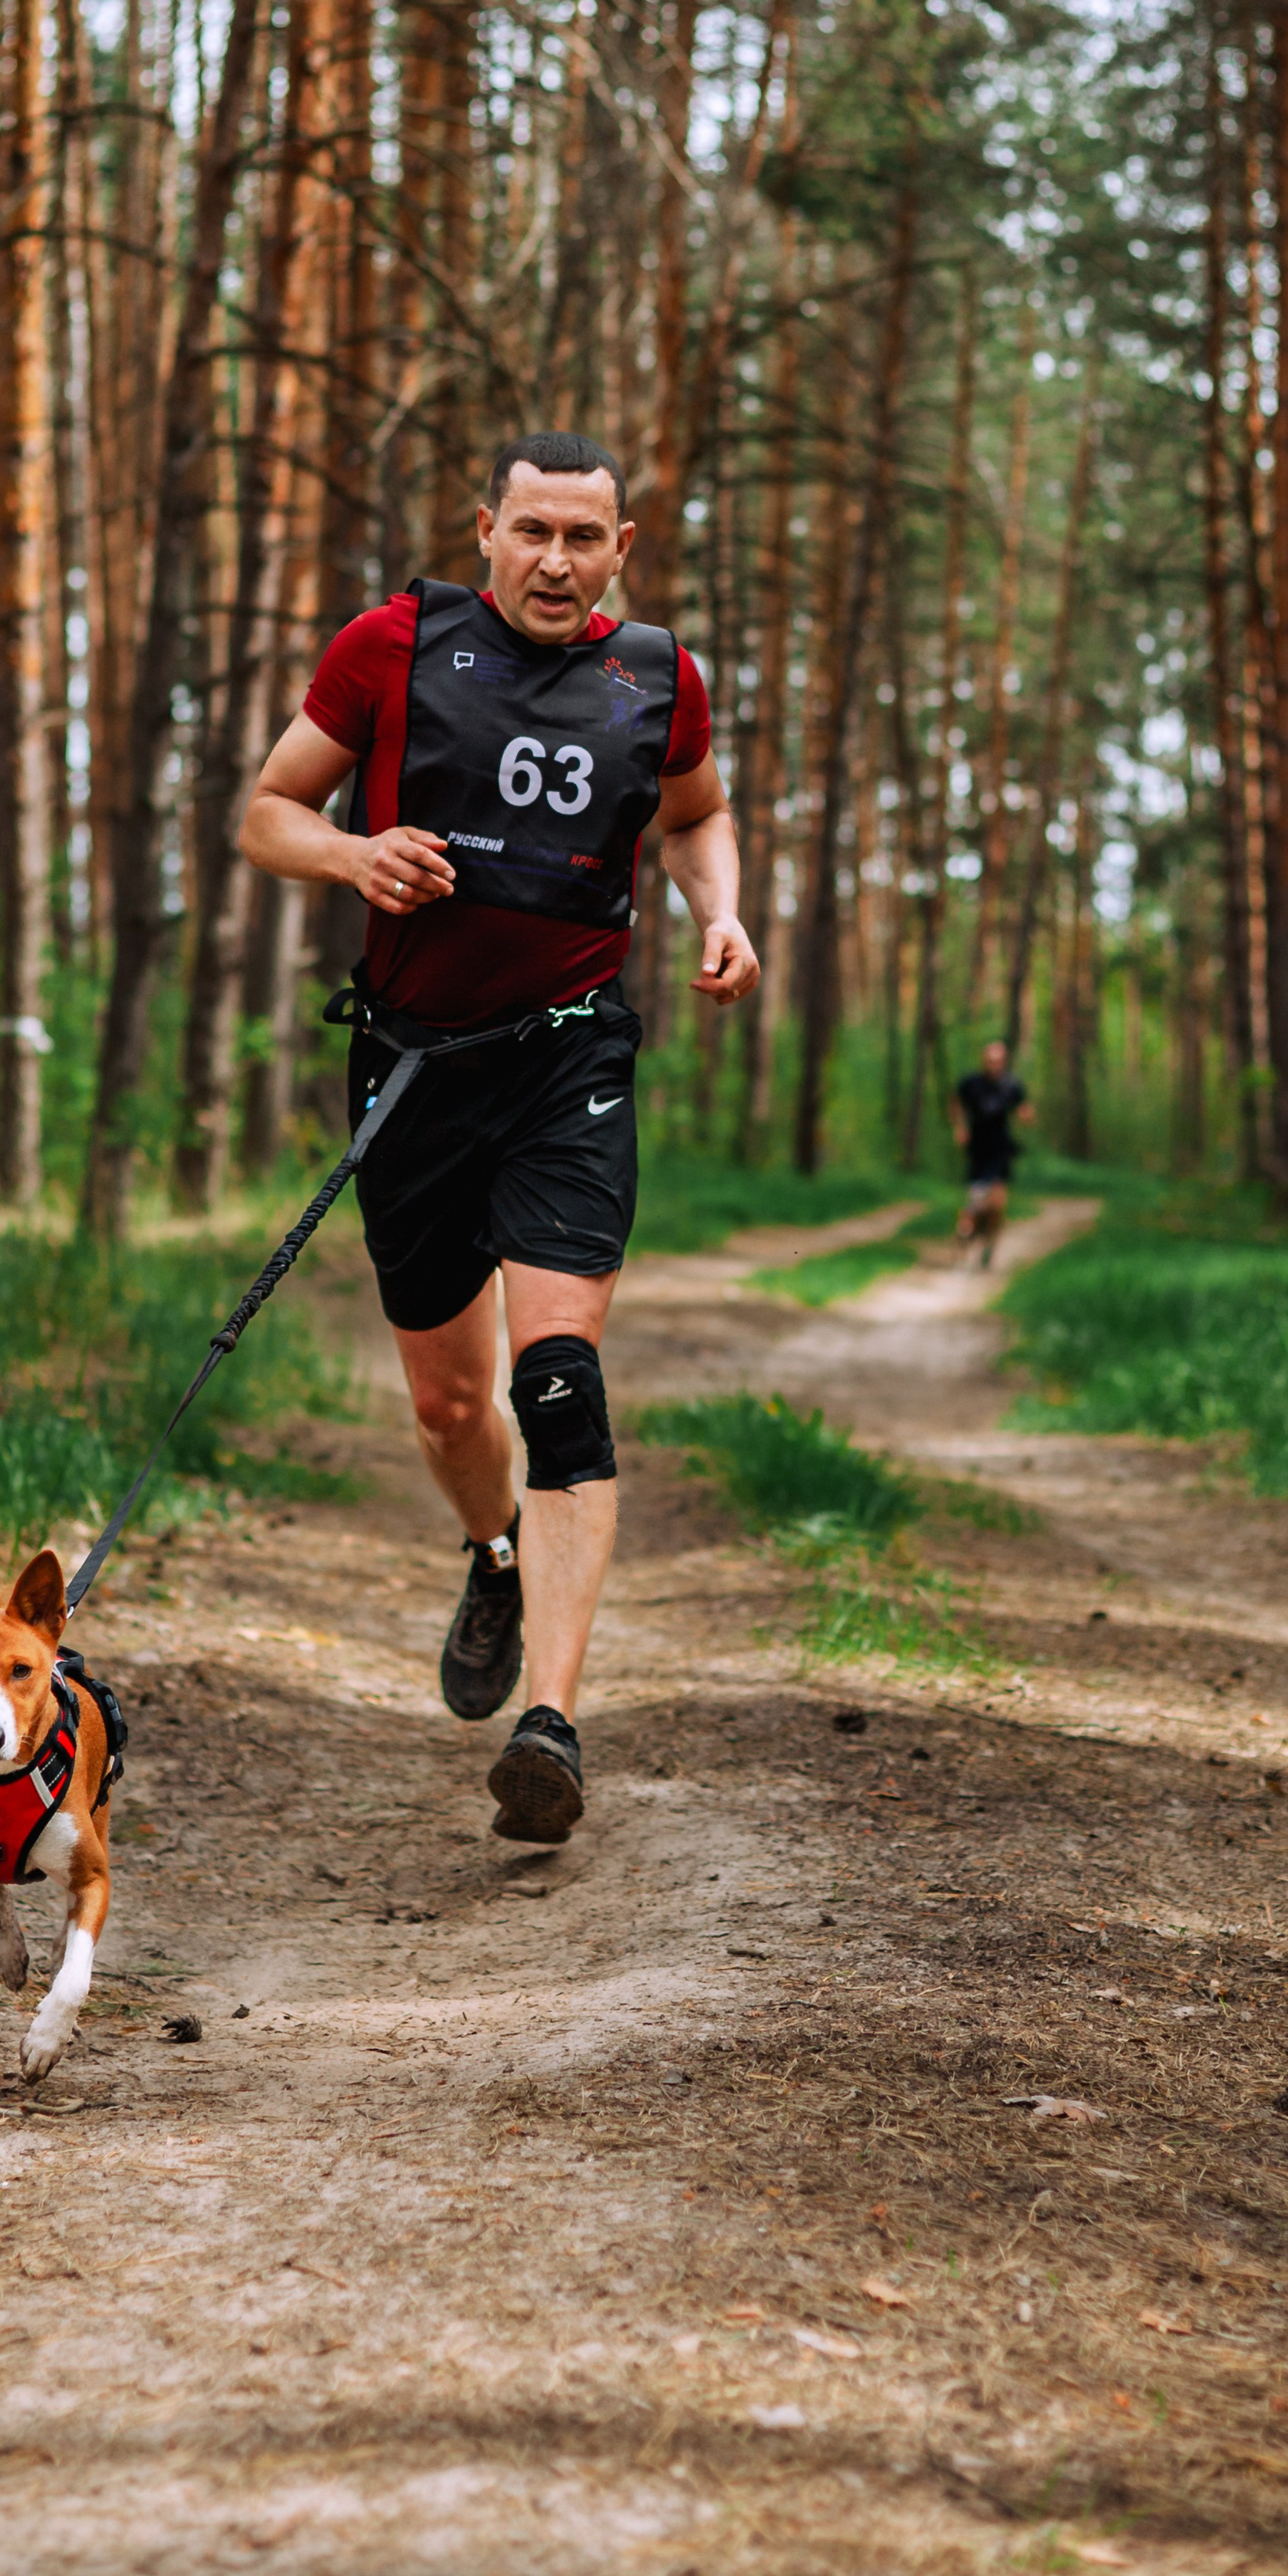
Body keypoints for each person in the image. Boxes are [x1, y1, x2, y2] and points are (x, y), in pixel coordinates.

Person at [239, 430, 758, 1846]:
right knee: (451, 1411)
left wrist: (719, 911)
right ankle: (493, 1549)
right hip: (411, 1066)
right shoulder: (391, 647)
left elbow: (697, 820)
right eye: (532, 531)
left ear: (622, 548)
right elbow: (266, 812)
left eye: (584, 539)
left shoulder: (659, 679)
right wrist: (354, 853)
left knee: (559, 1381)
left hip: (567, 1058)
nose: (556, 561)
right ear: (487, 529)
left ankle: (554, 1721)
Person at [951, 1039, 1033, 1267]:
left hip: (1001, 1151)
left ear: (1004, 1062)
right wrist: (960, 1128)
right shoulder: (971, 1084)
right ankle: (965, 1240)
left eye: (998, 1061)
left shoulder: (1012, 1086)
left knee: (997, 1204)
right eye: (989, 1061)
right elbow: (956, 1103)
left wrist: (1027, 1116)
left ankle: (990, 1245)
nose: (993, 1065)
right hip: (977, 1150)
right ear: (983, 1061)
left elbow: (1024, 1109)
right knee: (974, 1204)